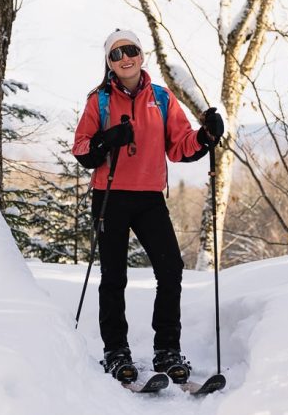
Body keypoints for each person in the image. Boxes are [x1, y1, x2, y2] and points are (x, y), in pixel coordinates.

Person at [72, 29, 225, 384]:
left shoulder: (162, 97)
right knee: (113, 277)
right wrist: (107, 140)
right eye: (117, 53)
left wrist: (206, 136)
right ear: (109, 62)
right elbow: (81, 148)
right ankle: (116, 352)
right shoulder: (100, 101)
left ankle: (167, 350)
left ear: (142, 56)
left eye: (132, 50)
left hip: (149, 197)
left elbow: (181, 145)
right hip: (109, 196)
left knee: (171, 270)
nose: (126, 57)